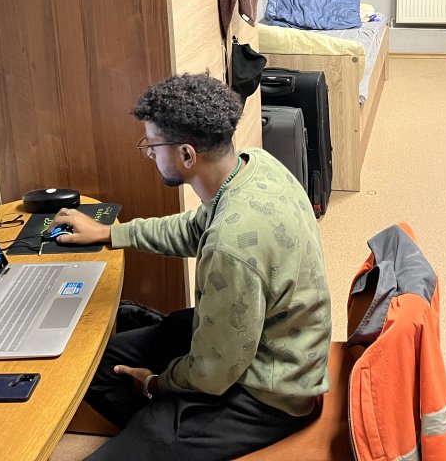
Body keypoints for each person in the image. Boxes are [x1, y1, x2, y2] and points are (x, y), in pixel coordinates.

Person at [52, 73, 332, 460]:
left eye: (152, 145)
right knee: (100, 367)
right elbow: (192, 228)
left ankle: (168, 433)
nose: (149, 154)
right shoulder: (255, 166)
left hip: (270, 394)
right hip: (261, 338)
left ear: (185, 154)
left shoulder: (229, 247)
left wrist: (154, 383)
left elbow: (212, 374)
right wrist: (110, 233)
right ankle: (166, 431)